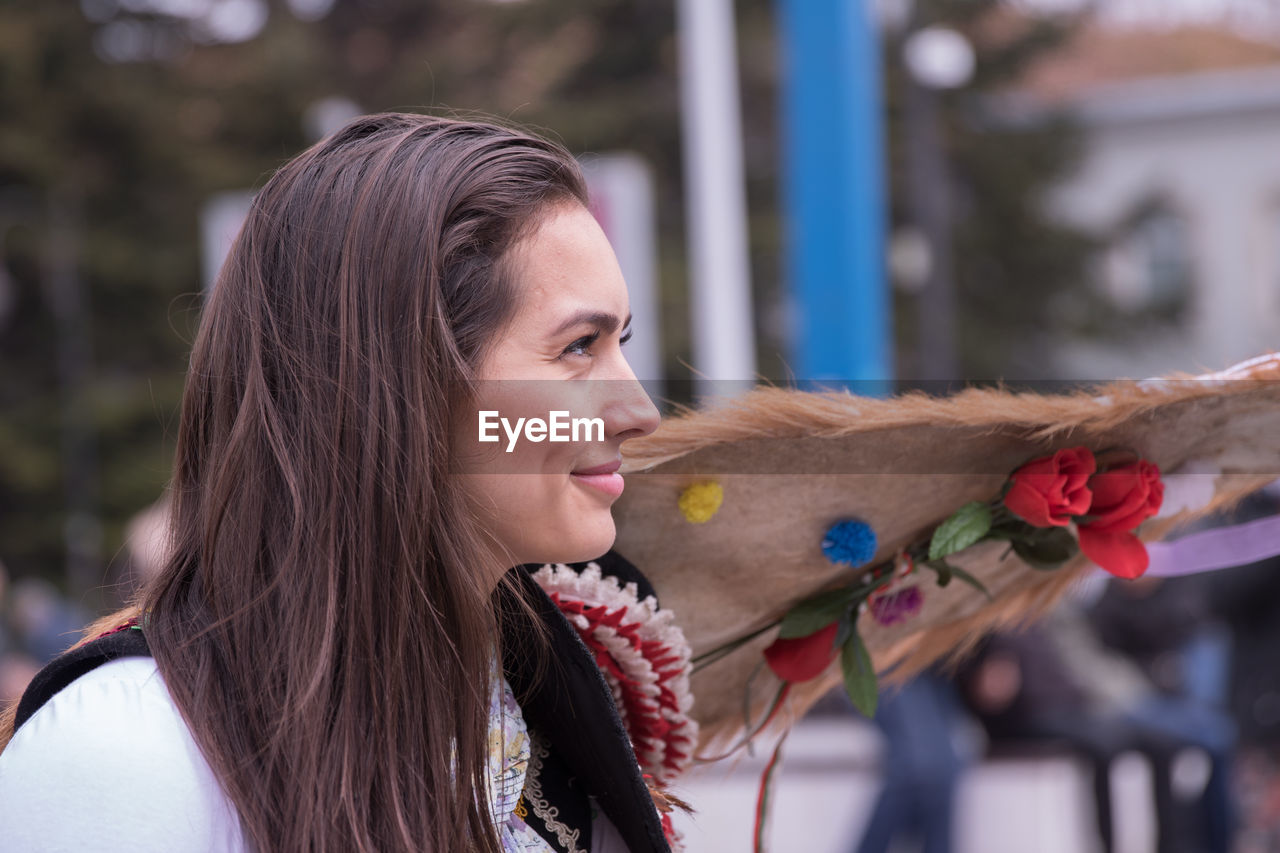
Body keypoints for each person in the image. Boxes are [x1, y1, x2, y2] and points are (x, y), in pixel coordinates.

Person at [0, 113, 663, 853]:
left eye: (620, 342)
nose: (640, 412)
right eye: (579, 346)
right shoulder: (127, 753)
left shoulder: (546, 710)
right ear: (410, 382)